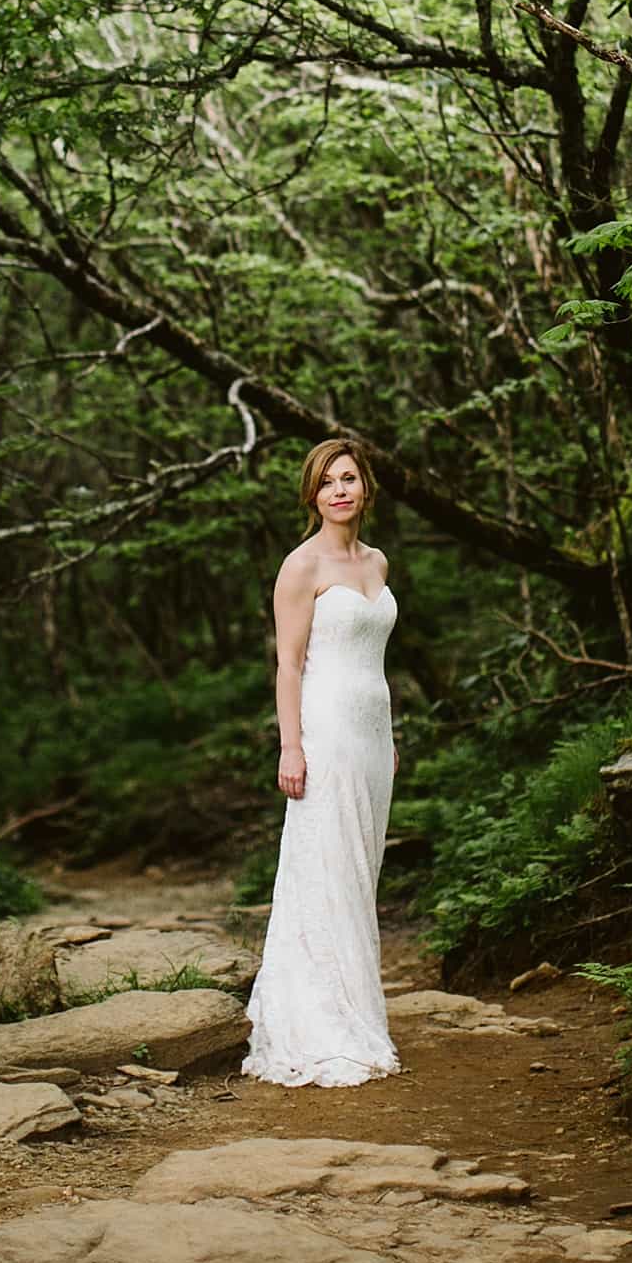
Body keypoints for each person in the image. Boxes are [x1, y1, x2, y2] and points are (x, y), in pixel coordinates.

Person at [242, 434, 402, 1087]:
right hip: (325, 732)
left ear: (366, 487)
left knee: (361, 874)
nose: (340, 490)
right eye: (327, 481)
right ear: (313, 495)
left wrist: (388, 737)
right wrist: (291, 744)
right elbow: (288, 663)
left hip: (371, 736)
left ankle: (360, 1007)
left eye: (349, 478)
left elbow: (376, 660)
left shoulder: (379, 564)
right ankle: (326, 1023)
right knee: (327, 869)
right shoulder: (300, 566)